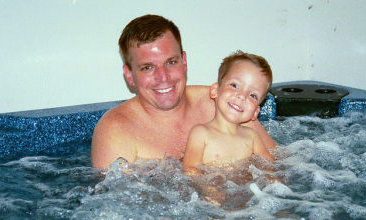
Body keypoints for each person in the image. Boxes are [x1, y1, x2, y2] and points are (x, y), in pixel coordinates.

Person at [91, 14, 277, 169]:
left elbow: (282, 166)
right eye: (147, 67)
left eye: (171, 62)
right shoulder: (116, 131)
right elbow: (117, 205)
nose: (163, 77)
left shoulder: (228, 104)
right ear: (129, 75)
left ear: (184, 61)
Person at [183, 51, 273, 173]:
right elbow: (190, 169)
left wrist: (274, 181)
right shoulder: (201, 133)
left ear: (255, 112)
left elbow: (270, 167)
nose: (242, 96)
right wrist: (210, 190)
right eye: (235, 85)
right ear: (215, 90)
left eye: (253, 95)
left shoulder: (252, 137)